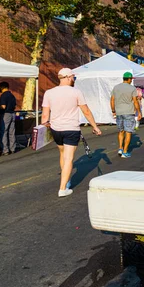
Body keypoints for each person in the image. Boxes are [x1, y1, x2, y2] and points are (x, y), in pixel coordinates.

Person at [41, 68, 102, 197]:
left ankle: (66, 179)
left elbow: (45, 115)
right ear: (68, 77)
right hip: (71, 128)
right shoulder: (76, 92)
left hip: (56, 128)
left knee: (62, 154)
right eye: (73, 77)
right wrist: (95, 126)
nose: (74, 79)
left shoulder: (49, 93)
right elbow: (86, 111)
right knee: (69, 158)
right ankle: (63, 188)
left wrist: (44, 126)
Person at [110, 71, 141, 158]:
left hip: (119, 112)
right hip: (129, 112)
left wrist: (113, 110)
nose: (131, 80)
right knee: (128, 131)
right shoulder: (132, 88)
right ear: (129, 79)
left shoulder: (116, 87)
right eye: (131, 79)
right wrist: (139, 112)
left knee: (121, 131)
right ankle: (125, 151)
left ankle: (120, 148)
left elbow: (112, 100)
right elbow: (135, 101)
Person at [0, 81, 17, 155]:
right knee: (12, 132)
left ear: (2, 87)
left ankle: (5, 150)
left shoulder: (3, 95)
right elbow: (14, 105)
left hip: (6, 114)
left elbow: (3, 106)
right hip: (12, 113)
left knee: (4, 131)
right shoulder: (12, 95)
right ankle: (13, 148)